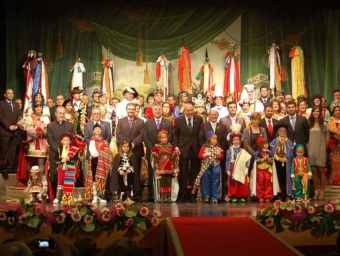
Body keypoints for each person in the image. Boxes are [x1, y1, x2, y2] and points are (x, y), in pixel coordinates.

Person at [173, 101, 203, 202]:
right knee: (183, 171)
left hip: (195, 149)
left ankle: (193, 193)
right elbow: (175, 135)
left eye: (191, 110)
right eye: (188, 110)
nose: (190, 112)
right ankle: (182, 193)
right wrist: (176, 146)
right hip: (183, 149)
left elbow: (200, 134)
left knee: (194, 171)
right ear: (184, 111)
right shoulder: (178, 120)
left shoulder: (199, 119)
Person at [143, 104, 173, 202]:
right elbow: (145, 137)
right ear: (152, 111)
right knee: (152, 173)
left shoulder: (168, 122)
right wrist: (154, 149)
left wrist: (163, 150)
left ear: (162, 111)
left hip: (165, 154)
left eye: (159, 109)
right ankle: (151, 195)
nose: (157, 111)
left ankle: (164, 195)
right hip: (152, 153)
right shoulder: (147, 123)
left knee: (164, 175)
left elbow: (171, 137)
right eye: (155, 109)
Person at [116, 102, 144, 201]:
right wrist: (126, 144)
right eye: (129, 109)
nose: (131, 111)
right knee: (123, 172)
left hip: (136, 150)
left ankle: (136, 194)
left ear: (135, 110)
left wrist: (133, 144)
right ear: (126, 110)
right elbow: (118, 134)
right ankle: (124, 194)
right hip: (123, 151)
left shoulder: (140, 121)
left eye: (133, 109)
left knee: (135, 172)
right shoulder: (121, 121)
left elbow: (141, 135)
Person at [47, 106, 75, 197]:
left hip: (68, 155)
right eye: (60, 113)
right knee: (55, 175)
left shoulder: (70, 125)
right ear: (55, 114)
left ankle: (67, 196)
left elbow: (73, 139)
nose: (61, 115)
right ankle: (56, 196)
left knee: (68, 176)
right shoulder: (50, 126)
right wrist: (60, 151)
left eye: (63, 113)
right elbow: (50, 141)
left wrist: (67, 151)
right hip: (55, 154)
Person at [17, 103, 50, 177]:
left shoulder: (46, 118)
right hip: (32, 142)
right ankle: (30, 181)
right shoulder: (29, 118)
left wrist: (42, 132)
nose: (38, 108)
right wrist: (33, 132)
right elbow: (26, 128)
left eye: (40, 107)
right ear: (34, 108)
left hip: (42, 143)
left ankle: (40, 181)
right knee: (30, 163)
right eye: (36, 107)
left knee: (40, 162)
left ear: (42, 108)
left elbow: (48, 130)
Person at [84, 123, 113, 203]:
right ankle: (95, 196)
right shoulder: (92, 141)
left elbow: (108, 151)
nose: (98, 130)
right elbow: (93, 153)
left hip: (102, 162)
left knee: (101, 178)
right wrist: (102, 153)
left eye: (99, 129)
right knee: (94, 178)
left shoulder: (104, 141)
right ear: (93, 131)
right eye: (96, 129)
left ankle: (100, 196)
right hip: (95, 160)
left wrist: (103, 154)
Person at [194, 131, 223, 203]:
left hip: (215, 167)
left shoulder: (218, 148)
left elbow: (222, 157)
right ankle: (206, 196)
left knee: (216, 182)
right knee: (205, 181)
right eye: (213, 139)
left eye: (216, 139)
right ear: (209, 139)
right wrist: (204, 155)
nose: (215, 140)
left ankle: (215, 197)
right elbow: (200, 156)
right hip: (206, 167)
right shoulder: (204, 147)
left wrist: (219, 155)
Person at [151, 130, 179, 203]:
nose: (164, 139)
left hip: (169, 167)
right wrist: (157, 169)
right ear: (159, 139)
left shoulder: (171, 147)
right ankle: (162, 197)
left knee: (169, 182)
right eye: (162, 138)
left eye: (166, 137)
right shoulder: (156, 148)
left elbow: (175, 158)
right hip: (161, 168)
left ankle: (169, 197)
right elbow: (156, 160)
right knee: (162, 183)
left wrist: (176, 167)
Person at [0, 89, 22, 179]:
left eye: (12, 93)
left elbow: (20, 117)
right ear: (5, 95)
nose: (10, 95)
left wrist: (17, 125)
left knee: (12, 151)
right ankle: (3, 168)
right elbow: (1, 117)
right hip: (5, 132)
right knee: (4, 150)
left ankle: (10, 167)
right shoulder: (1, 104)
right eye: (8, 93)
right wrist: (9, 126)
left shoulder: (16, 105)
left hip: (15, 132)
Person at [270, 123, 295, 201]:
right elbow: (272, 152)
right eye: (280, 130)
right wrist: (279, 159)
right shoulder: (274, 141)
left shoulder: (289, 142)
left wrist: (286, 158)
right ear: (278, 131)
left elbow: (291, 152)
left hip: (287, 163)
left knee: (286, 179)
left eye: (284, 131)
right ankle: (279, 194)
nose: (282, 132)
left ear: (286, 132)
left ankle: (287, 194)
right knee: (278, 178)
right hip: (277, 163)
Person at [308, 105, 329, 200]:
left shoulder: (324, 124)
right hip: (311, 149)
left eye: (317, 111)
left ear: (321, 113)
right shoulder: (309, 123)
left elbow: (327, 137)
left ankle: (322, 191)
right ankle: (316, 191)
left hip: (321, 149)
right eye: (314, 111)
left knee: (321, 169)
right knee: (314, 170)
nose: (315, 113)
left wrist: (325, 148)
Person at [225, 130, 252, 203]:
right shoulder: (229, 151)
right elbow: (227, 160)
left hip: (241, 168)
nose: (236, 141)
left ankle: (242, 196)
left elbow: (246, 160)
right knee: (234, 183)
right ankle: (234, 195)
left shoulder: (243, 150)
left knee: (241, 182)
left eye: (237, 140)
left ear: (240, 141)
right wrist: (227, 169)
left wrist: (246, 168)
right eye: (235, 140)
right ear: (232, 141)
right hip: (233, 168)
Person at [250, 137, 278, 203]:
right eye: (265, 144)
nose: (267, 145)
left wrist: (268, 159)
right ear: (261, 145)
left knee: (268, 183)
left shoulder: (270, 153)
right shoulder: (258, 153)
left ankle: (268, 196)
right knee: (260, 183)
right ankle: (260, 196)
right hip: (260, 171)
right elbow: (256, 161)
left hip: (268, 170)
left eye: (267, 144)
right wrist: (263, 159)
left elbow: (272, 162)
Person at [53, 133, 79, 204]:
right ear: (61, 141)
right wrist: (62, 160)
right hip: (61, 167)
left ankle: (72, 197)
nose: (66, 142)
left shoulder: (74, 149)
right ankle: (58, 197)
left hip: (70, 167)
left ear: (70, 141)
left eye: (68, 140)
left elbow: (76, 159)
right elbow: (55, 159)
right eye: (64, 140)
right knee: (60, 181)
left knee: (70, 182)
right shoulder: (59, 150)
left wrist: (69, 159)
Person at [328, 100, 340, 184]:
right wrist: (335, 135)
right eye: (336, 110)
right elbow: (328, 131)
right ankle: (335, 179)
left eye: (339, 110)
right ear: (333, 111)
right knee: (334, 162)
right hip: (333, 145)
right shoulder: (330, 120)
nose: (337, 112)